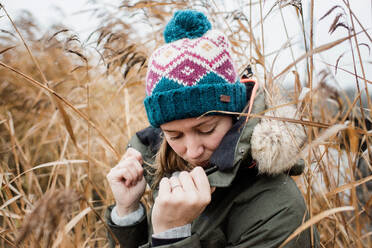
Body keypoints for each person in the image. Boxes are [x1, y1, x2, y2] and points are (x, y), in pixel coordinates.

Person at [105, 9, 319, 248]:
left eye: (206, 130)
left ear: (234, 114)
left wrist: (171, 236)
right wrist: (127, 213)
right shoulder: (163, 168)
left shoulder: (279, 209)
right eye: (174, 135)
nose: (193, 150)